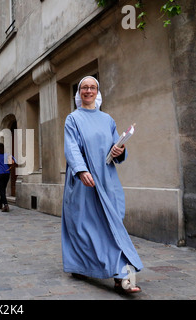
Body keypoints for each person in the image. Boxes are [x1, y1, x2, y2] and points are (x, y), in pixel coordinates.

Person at [61, 76, 144, 294]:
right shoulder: (73, 119)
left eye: (92, 88)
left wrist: (120, 150)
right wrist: (81, 170)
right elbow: (71, 148)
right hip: (84, 182)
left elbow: (116, 147)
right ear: (79, 93)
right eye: (84, 88)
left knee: (111, 225)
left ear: (97, 92)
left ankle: (120, 273)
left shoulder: (107, 119)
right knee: (84, 228)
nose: (88, 91)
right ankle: (111, 274)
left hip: (106, 180)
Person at [0, 143, 15, 212]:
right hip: (6, 173)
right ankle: (0, 203)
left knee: (1, 190)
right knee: (3, 189)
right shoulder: (8, 155)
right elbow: (14, 162)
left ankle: (5, 205)